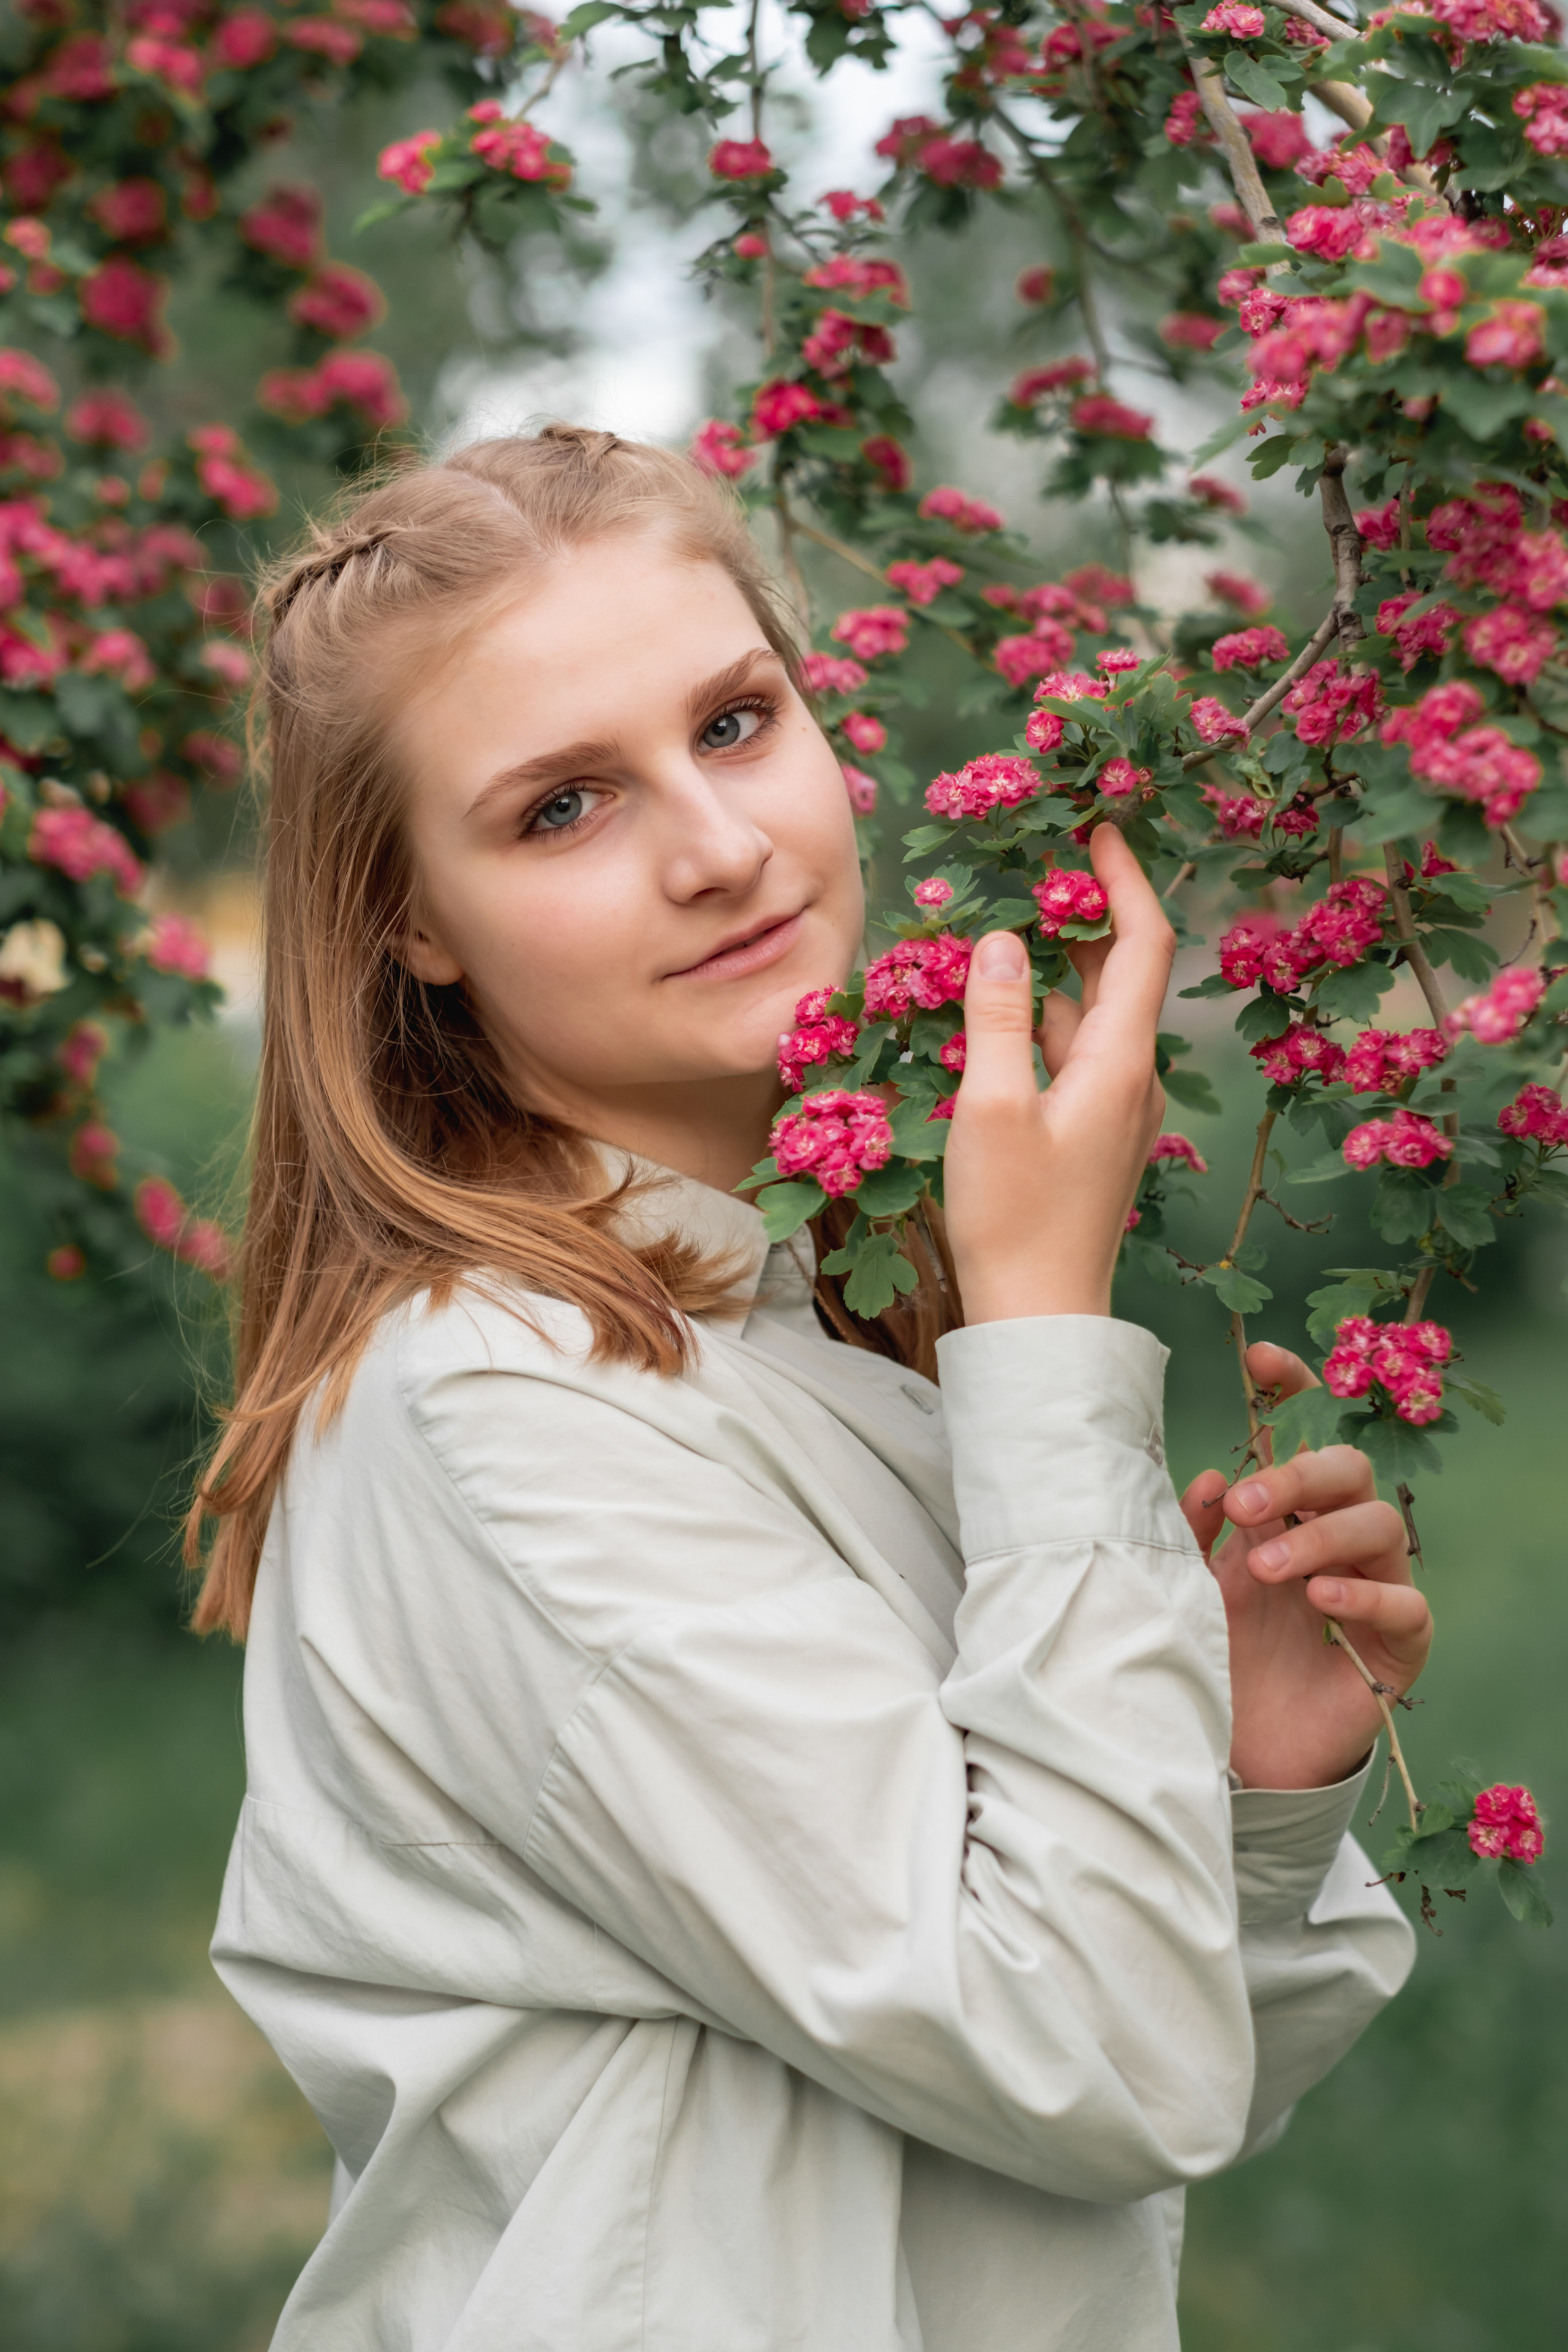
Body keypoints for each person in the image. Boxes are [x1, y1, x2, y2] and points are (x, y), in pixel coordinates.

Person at [197, 426, 1425, 2351]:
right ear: (407, 924)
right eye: (561, 810)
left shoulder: (787, 1316)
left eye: (737, 721)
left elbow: (1120, 2108)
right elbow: (1089, 2057)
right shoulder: (497, 1409)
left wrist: (1254, 1796)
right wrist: (1039, 1338)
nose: (719, 845)